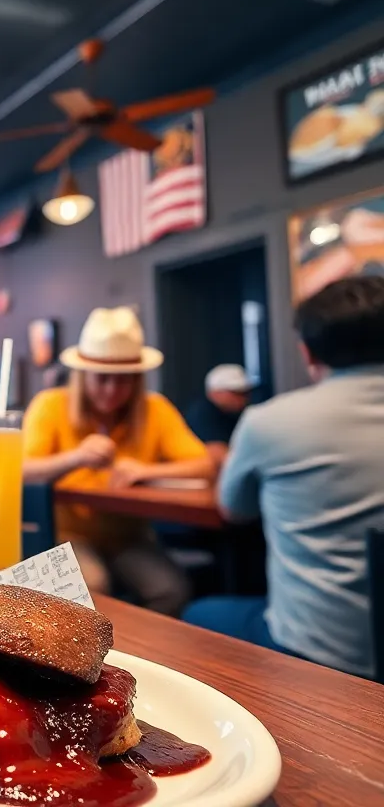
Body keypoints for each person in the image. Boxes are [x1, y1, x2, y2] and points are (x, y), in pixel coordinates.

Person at [184, 277, 384, 679]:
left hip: (317, 653)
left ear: (308, 353)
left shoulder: (268, 421)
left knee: (195, 612)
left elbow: (233, 509)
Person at [22, 307, 214, 616]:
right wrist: (76, 457)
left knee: (172, 590)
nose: (112, 390)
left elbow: (204, 466)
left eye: (123, 381)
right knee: (93, 587)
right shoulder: (50, 404)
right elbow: (21, 471)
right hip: (64, 536)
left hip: (131, 537)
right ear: (82, 376)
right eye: (102, 379)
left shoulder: (155, 408)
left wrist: (146, 471)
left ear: (137, 381)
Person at [184, 364, 254, 468]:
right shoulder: (202, 414)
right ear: (215, 392)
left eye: (245, 393)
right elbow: (218, 455)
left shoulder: (239, 413)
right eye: (235, 392)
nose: (242, 398)